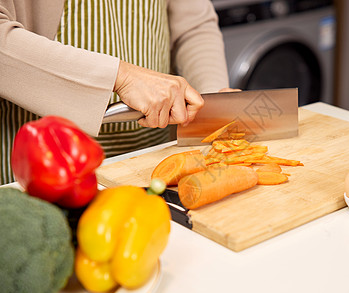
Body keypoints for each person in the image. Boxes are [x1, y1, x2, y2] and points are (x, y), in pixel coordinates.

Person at [0, 0, 231, 185]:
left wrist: (210, 99)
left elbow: (193, 26)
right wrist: (122, 76)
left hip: (155, 158)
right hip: (41, 172)